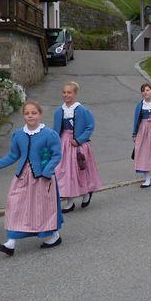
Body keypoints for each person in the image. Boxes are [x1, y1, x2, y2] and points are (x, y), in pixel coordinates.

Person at [0, 101, 63, 255]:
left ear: (40, 114)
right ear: (23, 116)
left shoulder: (50, 134)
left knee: (43, 208)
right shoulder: (18, 134)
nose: (30, 116)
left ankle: (54, 235)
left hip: (42, 178)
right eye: (27, 113)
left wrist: (47, 171)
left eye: (34, 113)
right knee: (15, 205)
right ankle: (11, 242)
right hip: (22, 177)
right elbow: (13, 155)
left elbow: (56, 155)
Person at [53, 81, 102, 212]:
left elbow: (90, 126)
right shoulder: (59, 111)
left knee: (80, 171)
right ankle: (69, 202)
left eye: (69, 92)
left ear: (75, 94)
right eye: (64, 92)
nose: (66, 95)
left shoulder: (82, 110)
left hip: (78, 145)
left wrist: (79, 140)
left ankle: (86, 193)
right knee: (65, 173)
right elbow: (55, 130)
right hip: (64, 144)